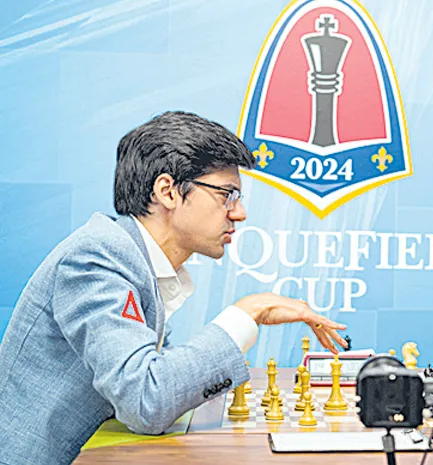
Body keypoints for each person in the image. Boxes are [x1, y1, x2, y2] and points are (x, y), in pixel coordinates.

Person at [0, 111, 348, 465]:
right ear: (167, 191)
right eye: (227, 195)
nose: (239, 213)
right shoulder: (98, 258)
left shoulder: (134, 260)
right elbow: (146, 401)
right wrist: (248, 313)